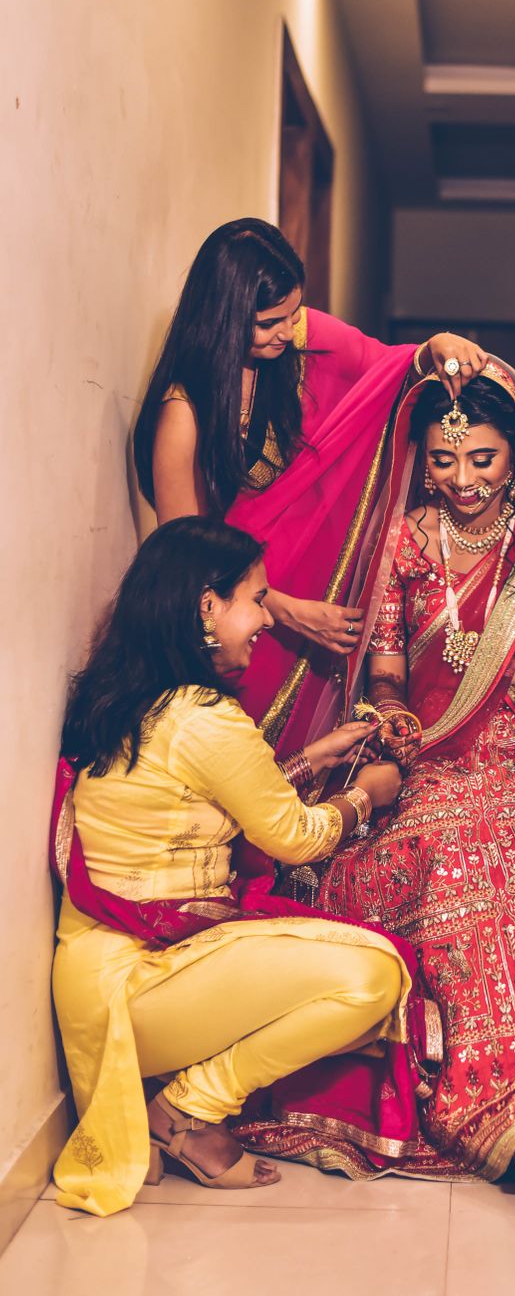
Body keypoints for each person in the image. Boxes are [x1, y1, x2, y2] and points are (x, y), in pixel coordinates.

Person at [266, 364, 515, 1183]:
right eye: (445, 461)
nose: (464, 480)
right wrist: (394, 713)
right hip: (438, 754)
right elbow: (384, 672)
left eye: (484, 459)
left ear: (514, 455)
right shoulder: (406, 539)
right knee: (448, 864)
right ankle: (485, 1116)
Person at [51, 517, 424, 1217]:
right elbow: (296, 836)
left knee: (350, 958)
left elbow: (194, 802)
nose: (263, 620)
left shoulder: (134, 693)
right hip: (138, 989)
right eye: (256, 598)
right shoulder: (204, 718)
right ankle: (189, 1111)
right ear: (206, 606)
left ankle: (183, 1106)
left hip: (103, 974)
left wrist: (312, 759)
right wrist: (366, 796)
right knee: (376, 976)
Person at [133, 217, 487, 754]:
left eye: (295, 313)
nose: (289, 332)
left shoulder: (297, 335)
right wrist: (286, 608)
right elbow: (186, 560)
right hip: (235, 608)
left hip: (307, 580)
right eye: (270, 322)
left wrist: (435, 346)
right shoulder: (184, 415)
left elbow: (384, 370)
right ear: (225, 318)